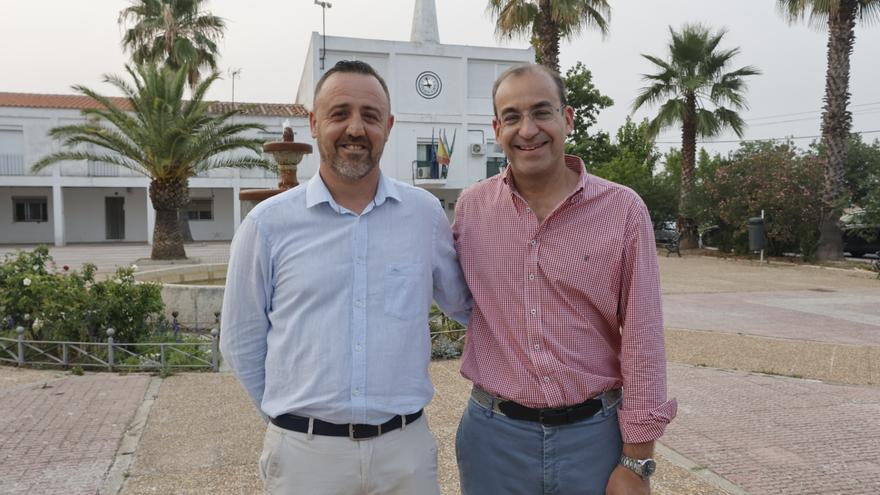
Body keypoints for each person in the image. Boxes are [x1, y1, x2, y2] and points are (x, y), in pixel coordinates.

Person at [220, 60, 470, 495]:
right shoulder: (267, 224)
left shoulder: (424, 215)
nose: (355, 127)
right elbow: (240, 338)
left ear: (388, 126)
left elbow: (466, 306)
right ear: (314, 124)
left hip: (404, 455)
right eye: (339, 114)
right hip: (305, 458)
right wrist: (290, 424)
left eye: (370, 116)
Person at [452, 63, 677, 495]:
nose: (528, 129)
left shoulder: (623, 210)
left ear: (567, 118)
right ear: (497, 128)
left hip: (593, 439)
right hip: (492, 442)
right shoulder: (471, 210)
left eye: (542, 112)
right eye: (512, 117)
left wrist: (638, 458)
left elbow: (643, 337)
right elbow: (455, 296)